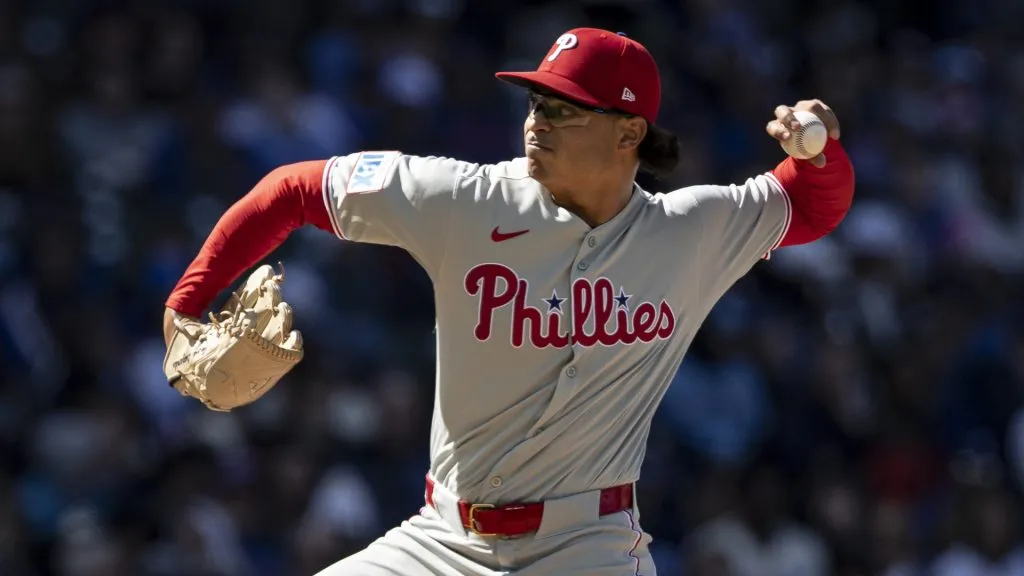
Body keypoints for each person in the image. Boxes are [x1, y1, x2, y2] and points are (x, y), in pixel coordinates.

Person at [162, 27, 854, 576]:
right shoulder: (463, 200)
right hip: (440, 542)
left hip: (589, 551)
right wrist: (187, 301)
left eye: (563, 109)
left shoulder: (688, 230)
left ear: (628, 133)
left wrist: (818, 153)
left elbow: (810, 205)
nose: (537, 122)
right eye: (535, 103)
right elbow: (292, 190)